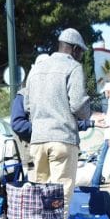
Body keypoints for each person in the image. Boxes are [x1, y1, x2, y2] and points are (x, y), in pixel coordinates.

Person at [24, 27, 90, 209]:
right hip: (62, 138)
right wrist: (88, 111)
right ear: (75, 49)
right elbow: (78, 105)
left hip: (38, 140)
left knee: (39, 197)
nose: (81, 56)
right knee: (59, 199)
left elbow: (26, 105)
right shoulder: (73, 67)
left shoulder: (37, 69)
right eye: (81, 52)